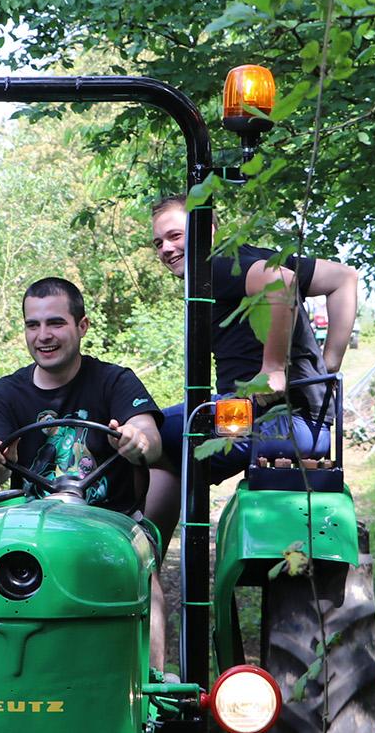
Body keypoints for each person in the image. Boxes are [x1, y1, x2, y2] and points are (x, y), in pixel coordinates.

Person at [0, 276, 169, 667]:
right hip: (28, 527)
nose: (43, 336)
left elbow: (149, 436)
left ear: (81, 327)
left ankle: (153, 692)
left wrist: (136, 441)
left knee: (145, 580)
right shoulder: (4, 393)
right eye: (34, 325)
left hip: (112, 525)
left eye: (55, 323)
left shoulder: (115, 381)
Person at [144, 196, 361, 543]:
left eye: (175, 236)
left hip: (263, 419)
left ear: (207, 231)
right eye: (158, 243)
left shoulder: (213, 267)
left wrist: (273, 369)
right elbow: (343, 278)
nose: (166, 249)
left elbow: (282, 283)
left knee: (143, 437)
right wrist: (329, 363)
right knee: (160, 441)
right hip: (311, 424)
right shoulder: (249, 256)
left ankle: (142, 562)